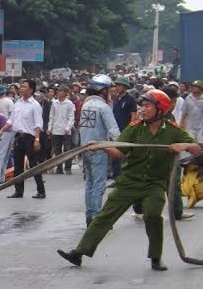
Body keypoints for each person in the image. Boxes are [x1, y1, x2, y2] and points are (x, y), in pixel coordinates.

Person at [58, 89, 202, 271]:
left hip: (154, 184)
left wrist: (186, 145)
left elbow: (198, 150)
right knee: (105, 216)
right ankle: (78, 253)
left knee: (153, 214)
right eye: (142, 105)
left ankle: (156, 257)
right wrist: (101, 146)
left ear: (160, 110)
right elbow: (119, 153)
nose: (142, 109)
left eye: (147, 105)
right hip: (129, 182)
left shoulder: (173, 130)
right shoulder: (134, 127)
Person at [78, 74, 121, 226]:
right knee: (98, 185)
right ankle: (96, 219)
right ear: (103, 90)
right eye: (109, 89)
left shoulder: (86, 105)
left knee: (89, 184)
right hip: (99, 150)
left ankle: (90, 216)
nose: (110, 92)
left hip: (85, 148)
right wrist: (125, 147)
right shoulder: (103, 107)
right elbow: (114, 132)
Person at [0, 79, 46, 199]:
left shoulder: (35, 105)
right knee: (18, 166)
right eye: (21, 87)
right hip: (19, 137)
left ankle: (41, 190)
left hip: (30, 138)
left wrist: (37, 140)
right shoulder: (18, 103)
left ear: (31, 90)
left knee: (34, 165)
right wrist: (2, 130)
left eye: (24, 87)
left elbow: (38, 124)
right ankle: (18, 191)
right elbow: (11, 120)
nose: (21, 89)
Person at [162, 85, 195, 220]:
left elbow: (179, 134)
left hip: (170, 155)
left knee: (174, 185)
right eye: (171, 102)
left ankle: (177, 212)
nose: (173, 105)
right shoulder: (158, 116)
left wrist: (190, 144)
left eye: (175, 102)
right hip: (160, 157)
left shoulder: (169, 116)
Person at [111, 76, 138, 181]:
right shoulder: (116, 99)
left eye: (119, 85)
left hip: (125, 130)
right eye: (116, 85)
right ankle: (116, 178)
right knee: (115, 155)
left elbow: (134, 116)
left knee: (124, 156)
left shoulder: (130, 99)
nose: (117, 87)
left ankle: (124, 178)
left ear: (125, 87)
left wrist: (131, 131)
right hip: (115, 130)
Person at [47, 84, 75, 174]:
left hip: (66, 131)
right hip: (56, 130)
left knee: (67, 150)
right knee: (57, 150)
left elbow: (71, 117)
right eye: (58, 91)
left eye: (61, 91)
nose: (58, 92)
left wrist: (68, 128)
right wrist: (49, 128)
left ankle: (68, 167)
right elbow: (51, 116)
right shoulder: (54, 103)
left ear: (66, 93)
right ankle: (59, 168)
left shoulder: (69, 103)